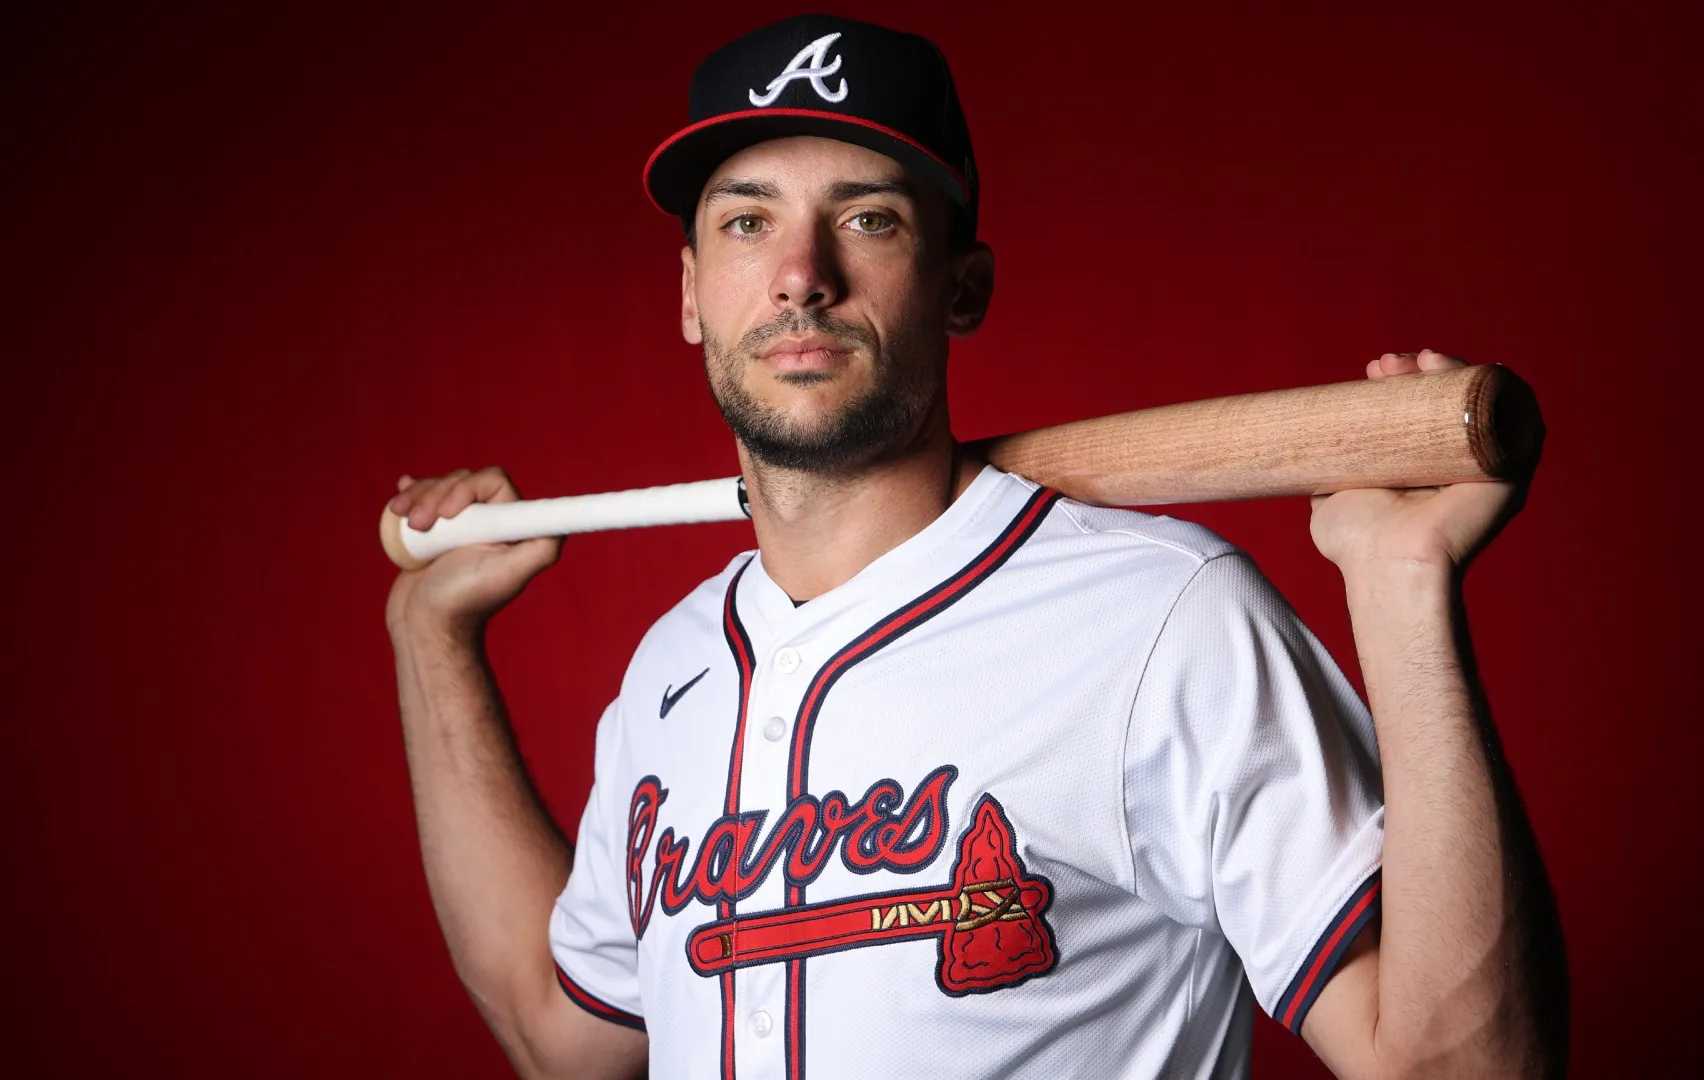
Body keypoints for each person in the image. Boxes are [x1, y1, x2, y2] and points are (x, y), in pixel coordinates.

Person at [384, 14, 1566, 1080]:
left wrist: (1405, 586)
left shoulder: (1164, 619)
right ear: (694, 292)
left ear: (963, 285)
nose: (802, 275)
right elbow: (563, 1040)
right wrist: (430, 635)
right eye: (749, 221)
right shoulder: (669, 675)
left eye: (869, 216)